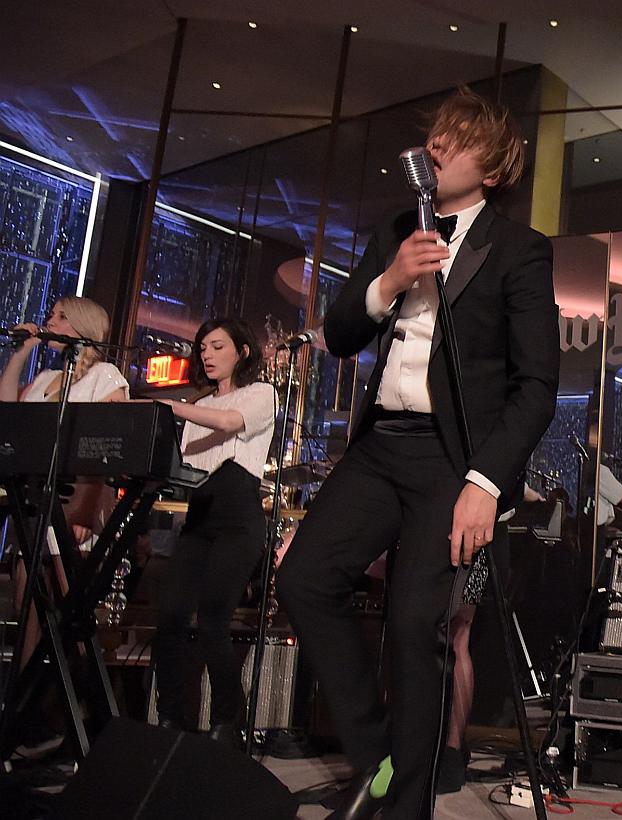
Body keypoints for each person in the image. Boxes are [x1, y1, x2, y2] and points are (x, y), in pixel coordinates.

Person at [276, 87, 558, 820]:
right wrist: (390, 280)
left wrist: (486, 483)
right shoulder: (397, 231)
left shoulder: (519, 250)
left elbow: (536, 386)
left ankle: (407, 808)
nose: (436, 146)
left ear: (492, 168)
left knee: (414, 627)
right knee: (304, 578)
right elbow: (341, 334)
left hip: (452, 459)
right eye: (435, 135)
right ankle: (381, 756)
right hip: (380, 446)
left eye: (456, 140)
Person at [0, 297, 127, 747]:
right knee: (29, 612)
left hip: (74, 508)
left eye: (58, 316)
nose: (48, 321)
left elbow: (110, 450)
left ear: (77, 326)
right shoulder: (47, 379)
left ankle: (76, 719)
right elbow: (9, 412)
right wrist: (22, 352)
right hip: (37, 505)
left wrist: (87, 512)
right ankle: (28, 715)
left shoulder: (105, 376)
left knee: (68, 618)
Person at [151, 318, 275, 747]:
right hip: (199, 515)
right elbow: (187, 464)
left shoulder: (261, 393)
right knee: (170, 617)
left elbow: (227, 422)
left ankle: (227, 722)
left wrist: (172, 407)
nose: (206, 354)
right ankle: (169, 717)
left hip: (238, 517)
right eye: (202, 347)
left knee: (213, 622)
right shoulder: (198, 404)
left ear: (243, 351)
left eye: (217, 346)